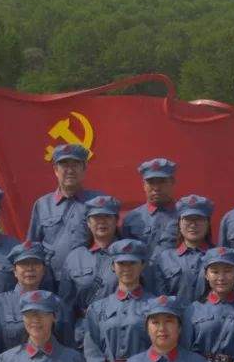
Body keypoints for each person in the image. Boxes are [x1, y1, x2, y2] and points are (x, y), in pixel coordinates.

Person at [27, 144, 106, 276]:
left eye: (75, 165)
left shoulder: (98, 201)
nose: (70, 170)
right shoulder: (42, 205)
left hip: (89, 280)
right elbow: (32, 248)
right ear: (56, 170)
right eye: (64, 165)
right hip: (52, 281)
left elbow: (110, 242)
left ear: (84, 168)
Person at [57, 195, 126, 346]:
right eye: (96, 217)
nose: (101, 222)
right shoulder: (75, 258)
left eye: (107, 217)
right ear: (88, 223)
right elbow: (66, 306)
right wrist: (68, 343)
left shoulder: (129, 255)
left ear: (116, 220)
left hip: (122, 333)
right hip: (85, 334)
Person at [152, 195, 214, 305]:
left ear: (208, 223)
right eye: (188, 219)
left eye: (199, 219)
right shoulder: (164, 259)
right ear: (179, 223)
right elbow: (160, 301)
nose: (193, 225)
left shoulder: (218, 257)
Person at [122, 158, 179, 254]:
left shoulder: (185, 216)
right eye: (151, 182)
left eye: (162, 181)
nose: (156, 188)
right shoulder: (131, 218)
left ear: (172, 182)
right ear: (144, 185)